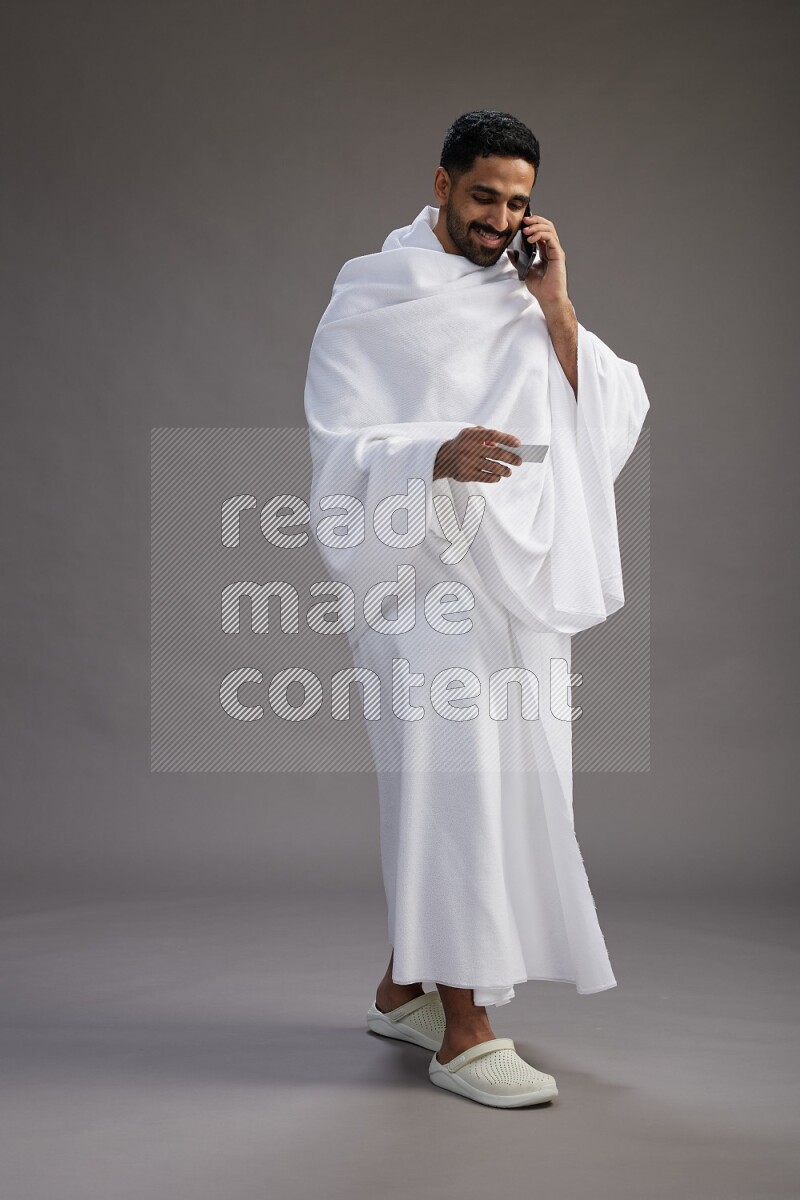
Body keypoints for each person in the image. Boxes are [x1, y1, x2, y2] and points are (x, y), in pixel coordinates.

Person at [303, 110, 649, 1108]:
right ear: (442, 184)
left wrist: (555, 307)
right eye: (483, 195)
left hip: (512, 587)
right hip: (417, 580)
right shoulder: (371, 300)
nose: (500, 217)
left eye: (517, 201)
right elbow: (336, 446)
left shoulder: (519, 295)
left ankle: (400, 989)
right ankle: (464, 1032)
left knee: (503, 785)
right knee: (452, 789)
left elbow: (611, 413)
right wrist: (428, 456)